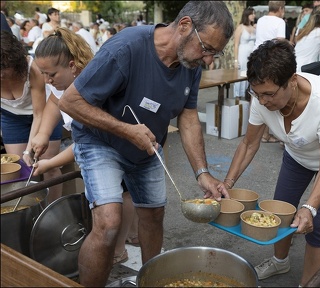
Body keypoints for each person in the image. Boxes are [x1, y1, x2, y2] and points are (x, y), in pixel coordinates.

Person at [56, 2, 234, 286]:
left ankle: (151, 282)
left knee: (153, 215)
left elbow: (188, 118)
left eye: (215, 52)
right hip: (99, 141)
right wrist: (126, 130)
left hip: (146, 146)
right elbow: (70, 101)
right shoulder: (126, 47)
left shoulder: (190, 63)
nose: (209, 59)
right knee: (109, 223)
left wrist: (202, 172)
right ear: (185, 26)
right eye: (207, 48)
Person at [223, 39, 320, 284]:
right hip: (298, 154)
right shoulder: (262, 98)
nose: (262, 101)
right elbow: (249, 144)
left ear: (292, 81)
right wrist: (227, 183)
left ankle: (308, 283)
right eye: (257, 93)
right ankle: (279, 262)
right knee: (281, 211)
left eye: (269, 94)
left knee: (316, 224)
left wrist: (309, 208)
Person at [31, 27, 139, 266]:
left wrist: (51, 162)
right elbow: (53, 101)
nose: (47, 80)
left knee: (124, 193)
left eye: (51, 75)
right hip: (96, 147)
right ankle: (125, 238)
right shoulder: (60, 80)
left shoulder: (91, 92)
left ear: (72, 66)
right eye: (43, 74)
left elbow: (83, 143)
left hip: (117, 148)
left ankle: (119, 249)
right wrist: (43, 134)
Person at [0, 31, 63, 204]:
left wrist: (30, 149)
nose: (1, 74)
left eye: (4, 68)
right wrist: (26, 153)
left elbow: (39, 113)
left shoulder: (31, 69)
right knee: (20, 169)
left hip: (43, 114)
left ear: (15, 62)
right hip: (11, 119)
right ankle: (29, 213)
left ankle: (51, 211)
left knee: (49, 166)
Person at [254, 1, 286, 144]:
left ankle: (256, 132)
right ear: (280, 8)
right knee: (270, 96)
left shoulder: (261, 20)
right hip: (270, 62)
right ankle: (266, 134)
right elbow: (279, 43)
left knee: (256, 95)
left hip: (256, 59)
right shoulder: (279, 21)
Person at [233, 7, 256, 99]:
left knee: (250, 76)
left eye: (254, 13)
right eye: (252, 14)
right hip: (242, 54)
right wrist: (235, 60)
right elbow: (236, 44)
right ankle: (238, 99)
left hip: (252, 55)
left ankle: (248, 97)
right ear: (247, 15)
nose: (254, 15)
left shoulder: (254, 27)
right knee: (240, 76)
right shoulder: (240, 27)